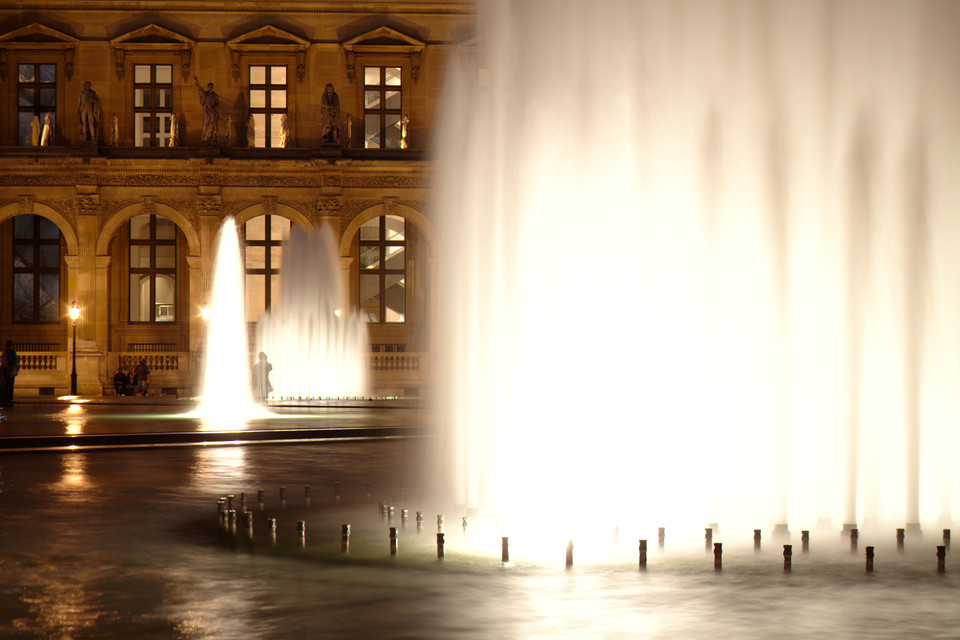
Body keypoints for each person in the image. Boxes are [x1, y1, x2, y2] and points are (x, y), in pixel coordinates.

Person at [194, 77, 220, 143]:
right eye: (209, 86)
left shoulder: (215, 96)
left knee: (213, 124)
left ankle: (212, 137)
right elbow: (200, 90)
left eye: (211, 86)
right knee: (206, 125)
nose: (210, 87)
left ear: (212, 87)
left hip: (212, 112)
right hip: (206, 112)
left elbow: (217, 103)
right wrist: (197, 82)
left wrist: (213, 107)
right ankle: (206, 137)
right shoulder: (205, 95)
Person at [1, 340, 18, 406]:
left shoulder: (4, 351)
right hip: (11, 369)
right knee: (11, 384)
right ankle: (10, 398)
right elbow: (15, 360)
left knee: (5, 384)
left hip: (5, 369)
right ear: (11, 345)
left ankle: (5, 398)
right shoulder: (12, 352)